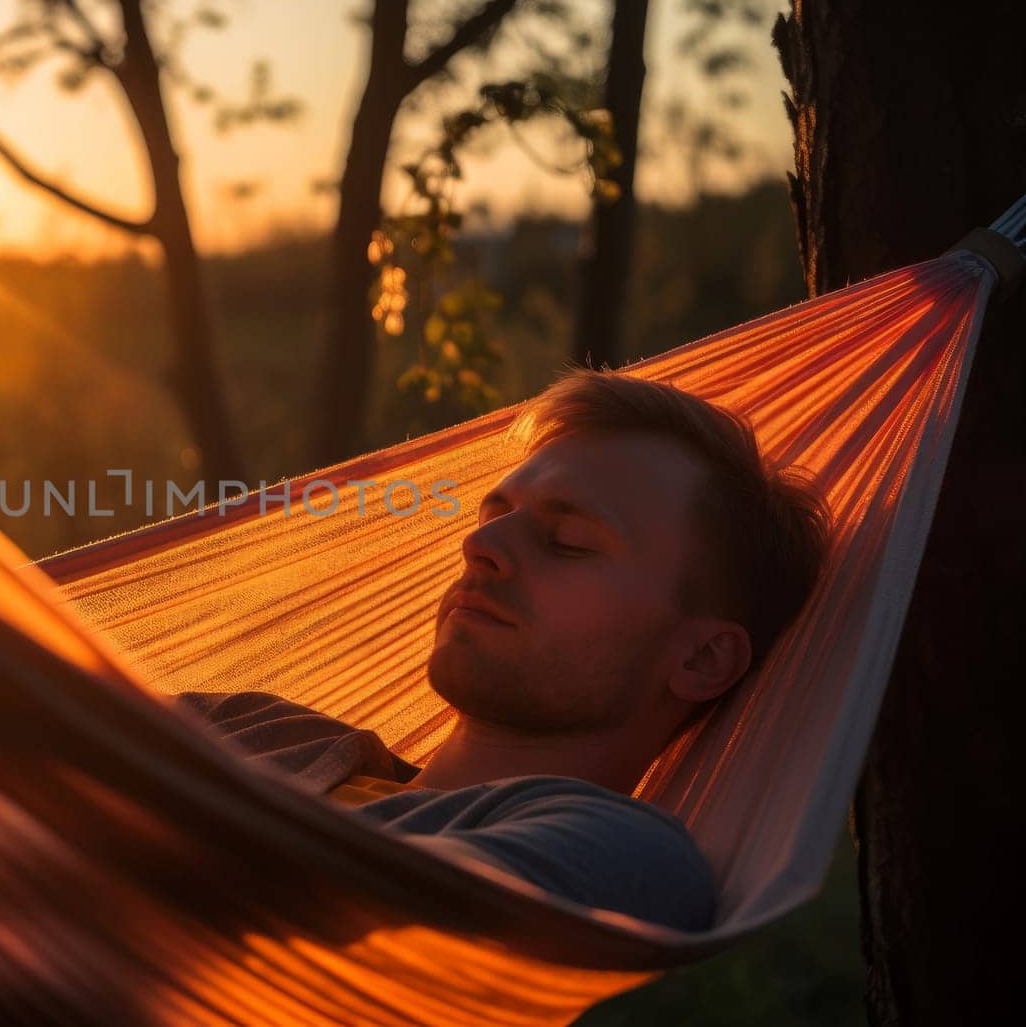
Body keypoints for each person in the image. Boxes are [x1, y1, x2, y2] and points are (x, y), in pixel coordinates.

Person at [172, 369, 831, 932]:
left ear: (702, 660)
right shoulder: (252, 727)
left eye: (568, 540)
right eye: (494, 516)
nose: (479, 545)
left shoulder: (628, 856)